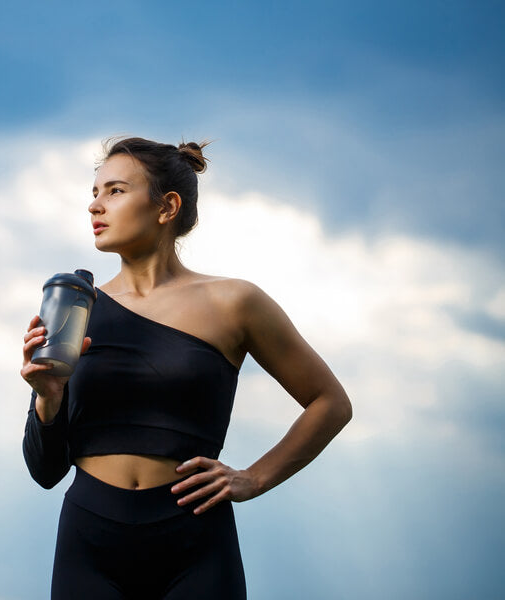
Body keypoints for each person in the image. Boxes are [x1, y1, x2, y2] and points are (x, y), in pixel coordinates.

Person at [20, 137, 352, 599]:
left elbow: (331, 403)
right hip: (89, 544)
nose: (95, 206)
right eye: (94, 193)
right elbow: (45, 470)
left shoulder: (236, 302)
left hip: (196, 543)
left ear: (167, 206)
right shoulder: (77, 307)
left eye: (114, 191)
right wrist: (47, 398)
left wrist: (254, 478)